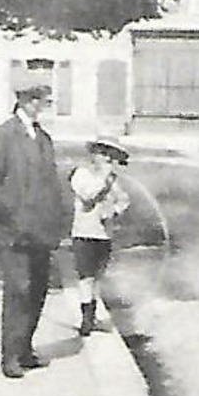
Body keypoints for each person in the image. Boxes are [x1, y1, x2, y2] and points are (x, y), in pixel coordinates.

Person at [0, 81, 72, 377]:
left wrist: (59, 222)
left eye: (43, 101)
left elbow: (51, 185)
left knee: (39, 289)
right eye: (36, 100)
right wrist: (9, 215)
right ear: (23, 101)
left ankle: (26, 348)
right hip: (13, 231)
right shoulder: (2, 136)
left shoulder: (44, 138)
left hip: (41, 230)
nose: (39, 106)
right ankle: (10, 357)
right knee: (19, 289)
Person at [69, 136, 131, 334]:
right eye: (103, 153)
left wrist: (113, 211)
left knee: (97, 277)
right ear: (94, 154)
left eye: (110, 156)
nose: (106, 159)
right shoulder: (81, 174)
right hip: (84, 233)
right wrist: (104, 178)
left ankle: (93, 315)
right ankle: (86, 320)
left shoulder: (113, 179)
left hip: (104, 235)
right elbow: (87, 196)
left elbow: (124, 200)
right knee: (85, 277)